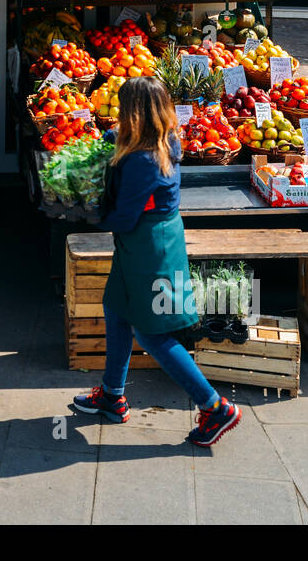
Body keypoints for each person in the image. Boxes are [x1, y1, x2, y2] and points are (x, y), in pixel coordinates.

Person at [71, 76, 241, 448]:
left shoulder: (143, 162)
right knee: (116, 308)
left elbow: (123, 217)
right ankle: (113, 395)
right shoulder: (161, 141)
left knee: (153, 332)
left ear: (135, 115)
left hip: (151, 249)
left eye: (122, 109)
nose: (117, 114)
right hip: (146, 242)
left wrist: (78, 211)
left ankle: (215, 407)